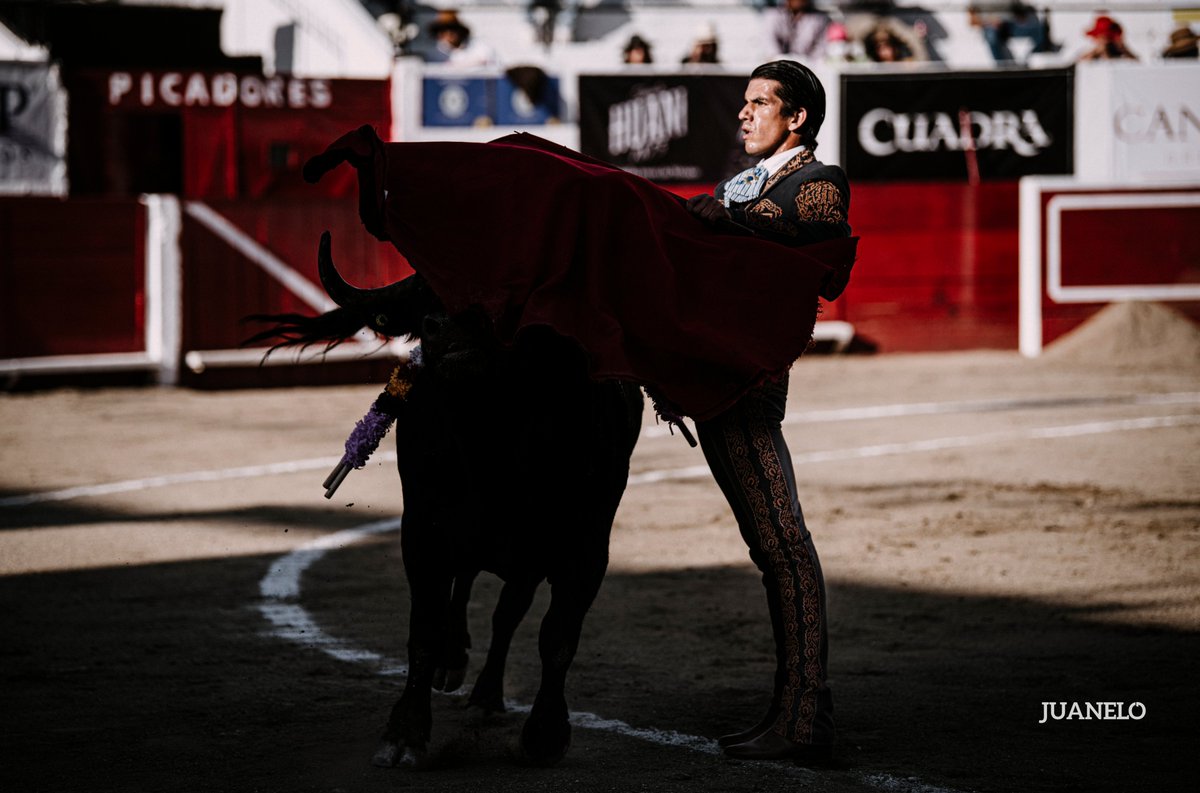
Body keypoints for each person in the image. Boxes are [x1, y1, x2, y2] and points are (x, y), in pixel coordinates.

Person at [685, 59, 849, 764]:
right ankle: (798, 711)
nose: (745, 113)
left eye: (760, 102)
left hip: (750, 385)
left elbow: (806, 231)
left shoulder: (818, 182)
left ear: (797, 117)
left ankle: (806, 716)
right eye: (744, 102)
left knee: (783, 545)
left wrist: (722, 217)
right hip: (717, 378)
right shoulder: (742, 185)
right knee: (772, 545)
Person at [425, 9, 498, 67]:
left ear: (460, 30)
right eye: (443, 29)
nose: (449, 33)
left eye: (453, 28)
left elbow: (493, 69)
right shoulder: (434, 53)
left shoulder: (480, 47)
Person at [765, 0, 831, 61]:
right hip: (777, 64)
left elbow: (820, 51)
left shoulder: (820, 19)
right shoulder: (772, 16)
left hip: (807, 65)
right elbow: (769, 47)